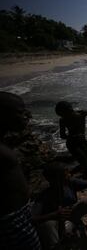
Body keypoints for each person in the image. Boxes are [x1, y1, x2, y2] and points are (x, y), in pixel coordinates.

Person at [32, 163, 87, 249]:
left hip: (71, 217)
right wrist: (54, 215)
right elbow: (33, 218)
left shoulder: (69, 183)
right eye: (66, 173)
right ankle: (56, 247)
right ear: (57, 178)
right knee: (48, 225)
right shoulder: (44, 194)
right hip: (55, 224)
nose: (69, 174)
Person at [0, 92, 41, 249]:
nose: (28, 115)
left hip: (19, 214)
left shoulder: (4, 143)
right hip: (10, 221)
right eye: (20, 112)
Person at [55, 101, 87, 176]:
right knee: (84, 160)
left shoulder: (81, 113)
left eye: (63, 113)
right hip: (72, 143)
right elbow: (62, 135)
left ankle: (81, 174)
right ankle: (86, 178)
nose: (64, 115)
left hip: (80, 140)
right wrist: (76, 136)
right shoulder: (79, 114)